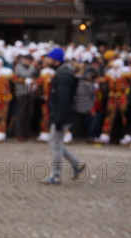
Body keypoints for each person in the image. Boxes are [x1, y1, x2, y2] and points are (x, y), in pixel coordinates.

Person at [42, 47, 85, 185]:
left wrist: (59, 119)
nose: (46, 60)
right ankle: (76, 164)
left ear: (55, 60)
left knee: (55, 142)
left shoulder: (63, 75)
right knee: (56, 141)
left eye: (49, 58)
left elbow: (64, 99)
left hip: (62, 115)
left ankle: (55, 175)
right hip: (62, 114)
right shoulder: (63, 73)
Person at [96, 58, 131, 144]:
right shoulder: (110, 74)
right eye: (114, 66)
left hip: (122, 96)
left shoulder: (125, 74)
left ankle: (127, 135)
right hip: (113, 96)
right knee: (109, 115)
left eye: (116, 66)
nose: (114, 68)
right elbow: (103, 80)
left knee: (124, 116)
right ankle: (105, 135)